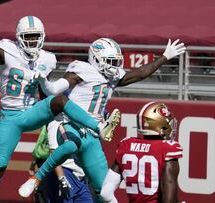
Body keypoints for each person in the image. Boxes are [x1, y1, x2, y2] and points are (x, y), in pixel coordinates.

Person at [0, 5, 121, 203]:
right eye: (28, 36)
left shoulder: (48, 59)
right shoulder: (7, 50)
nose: (32, 40)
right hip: (10, 117)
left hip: (32, 111)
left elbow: (47, 92)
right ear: (19, 37)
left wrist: (51, 112)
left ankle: (98, 127)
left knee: (60, 101)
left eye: (35, 36)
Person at [18, 38, 186, 202]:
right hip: (70, 124)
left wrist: (164, 57)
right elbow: (55, 89)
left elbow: (139, 73)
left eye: (116, 61)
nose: (115, 66)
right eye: (110, 61)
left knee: (103, 191)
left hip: (92, 135)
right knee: (70, 145)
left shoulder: (112, 76)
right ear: (97, 59)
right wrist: (44, 81)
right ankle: (36, 179)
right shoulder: (81, 70)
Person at [100, 101, 183, 203]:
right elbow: (169, 201)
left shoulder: (126, 145)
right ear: (160, 125)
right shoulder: (167, 149)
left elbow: (105, 194)